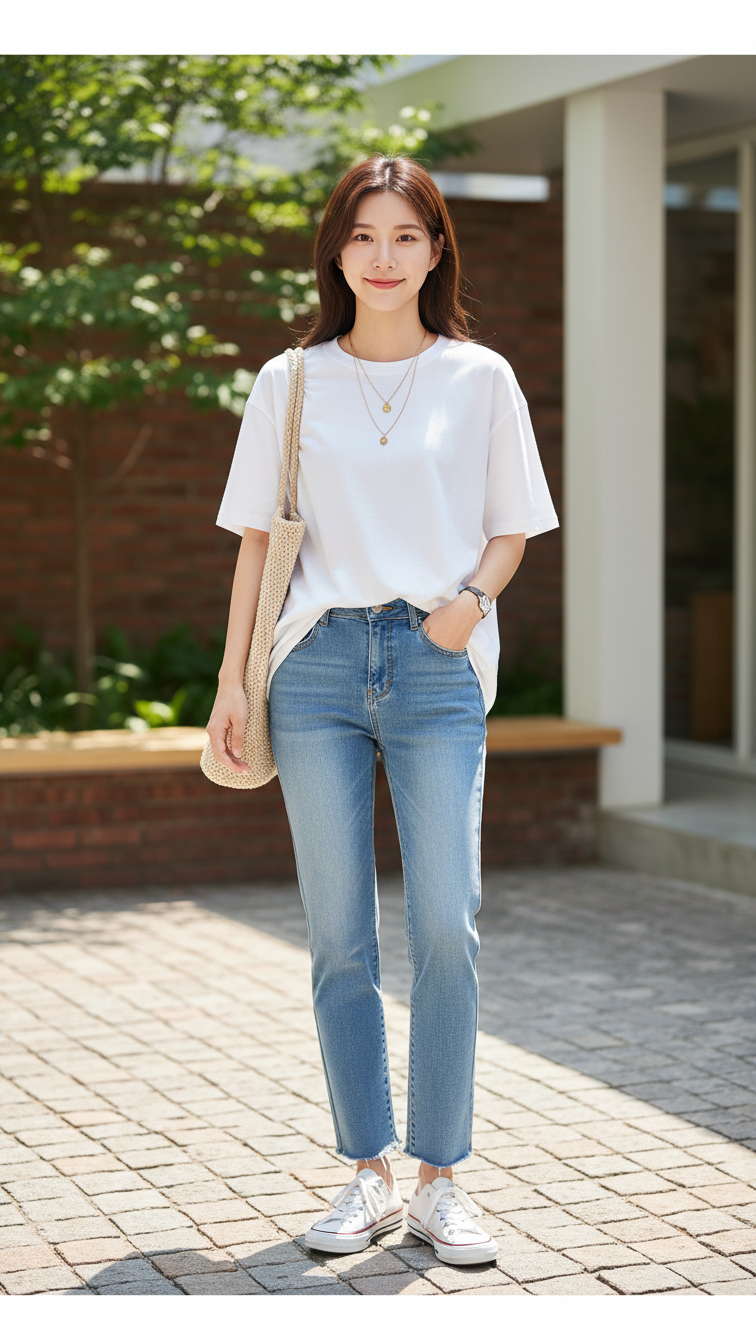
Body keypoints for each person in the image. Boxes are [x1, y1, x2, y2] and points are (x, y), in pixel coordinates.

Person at [207, 155, 558, 1267]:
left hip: (436, 665)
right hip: (311, 667)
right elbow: (259, 542)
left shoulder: (480, 376)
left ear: (438, 247)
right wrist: (232, 682)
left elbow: (513, 523)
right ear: (336, 251)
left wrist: (468, 604)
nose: (385, 257)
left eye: (407, 235)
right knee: (336, 936)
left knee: (446, 922)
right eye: (364, 236)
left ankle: (443, 1177)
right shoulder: (289, 380)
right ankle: (366, 1172)